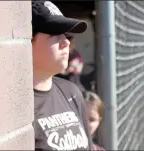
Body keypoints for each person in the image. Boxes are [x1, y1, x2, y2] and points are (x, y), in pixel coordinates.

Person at [32, 1, 91, 150]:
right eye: (54, 34)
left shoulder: (71, 92)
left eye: (65, 34)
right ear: (27, 41)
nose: (65, 41)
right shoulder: (16, 106)